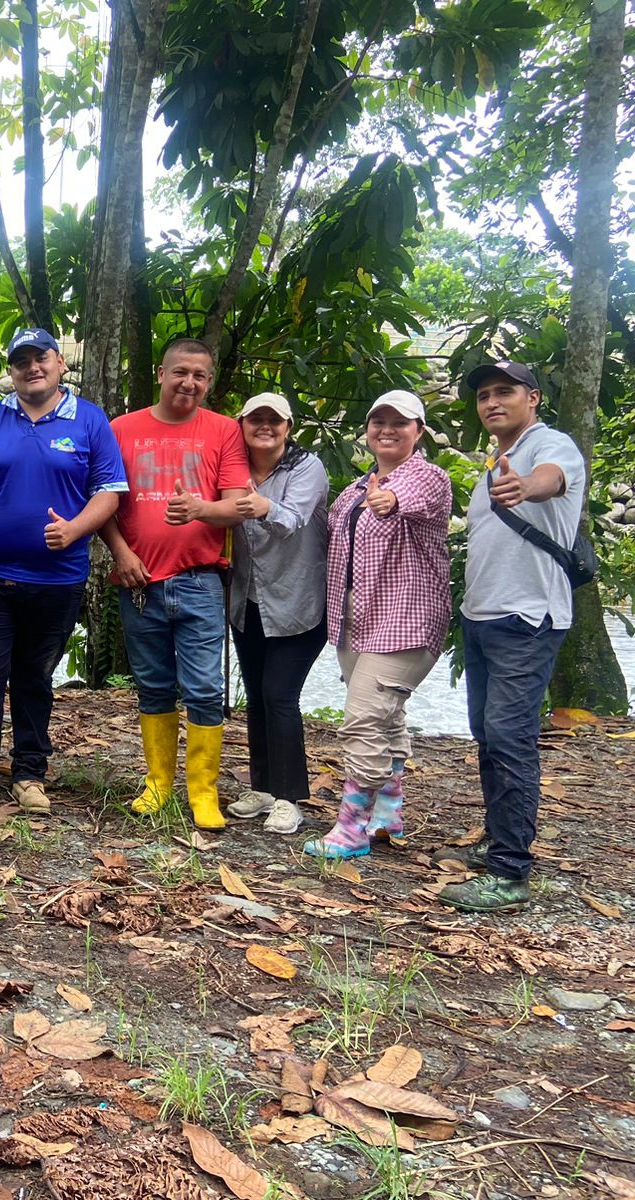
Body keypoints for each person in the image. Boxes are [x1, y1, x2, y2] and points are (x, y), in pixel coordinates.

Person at [0, 328, 129, 818]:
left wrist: (74, 530)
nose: (32, 367)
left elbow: (109, 492)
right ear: (11, 370)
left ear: (59, 363)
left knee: (34, 677)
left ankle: (30, 774)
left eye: (41, 358)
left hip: (57, 579)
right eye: (21, 361)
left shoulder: (89, 420)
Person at [439, 361, 585, 912]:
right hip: (482, 617)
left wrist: (526, 486)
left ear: (534, 397)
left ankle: (509, 872)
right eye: (484, 395)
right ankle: (498, 839)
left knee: (508, 736)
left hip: (527, 617)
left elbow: (552, 478)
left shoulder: (550, 445)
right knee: (487, 733)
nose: (492, 402)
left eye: (505, 391)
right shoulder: (493, 462)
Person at [102, 337, 249, 829]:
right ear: (161, 373)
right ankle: (158, 783)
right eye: (181, 372)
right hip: (139, 582)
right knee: (153, 686)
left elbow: (238, 505)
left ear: (209, 382)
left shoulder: (224, 430)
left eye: (200, 376)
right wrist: (121, 552)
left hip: (200, 580)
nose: (190, 382)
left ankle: (202, 791)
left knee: (205, 689)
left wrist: (200, 509)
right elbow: (103, 501)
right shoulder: (122, 429)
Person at [307, 390, 451, 860]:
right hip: (355, 618)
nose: (387, 430)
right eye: (379, 421)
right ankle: (388, 814)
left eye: (400, 422)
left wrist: (390, 499)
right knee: (386, 716)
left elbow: (406, 499)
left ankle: (351, 829)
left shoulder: (428, 478)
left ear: (419, 431)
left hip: (406, 617)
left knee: (364, 719)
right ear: (367, 429)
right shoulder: (355, 488)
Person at [223, 393, 329, 835]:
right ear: (242, 424)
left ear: (288, 426)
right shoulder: (231, 467)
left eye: (275, 420)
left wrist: (263, 507)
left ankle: (289, 798)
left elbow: (293, 519)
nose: (265, 426)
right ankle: (263, 788)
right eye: (256, 419)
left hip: (298, 602)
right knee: (257, 695)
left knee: (279, 694)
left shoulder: (307, 467)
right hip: (248, 600)